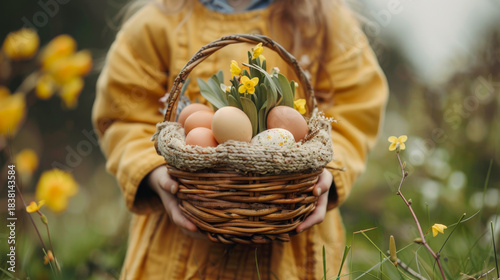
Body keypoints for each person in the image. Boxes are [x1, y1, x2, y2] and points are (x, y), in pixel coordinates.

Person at [92, 0, 388, 279]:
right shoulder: (157, 23)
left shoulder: (326, 23)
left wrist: (328, 172)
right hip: (177, 246)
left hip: (296, 244)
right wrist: (154, 172)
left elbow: (355, 110)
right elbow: (123, 117)